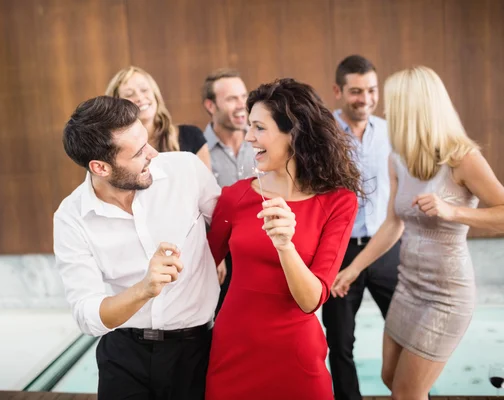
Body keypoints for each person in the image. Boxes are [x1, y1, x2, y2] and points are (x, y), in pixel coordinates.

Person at [332, 66, 504, 399]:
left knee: (407, 392)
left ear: (415, 108)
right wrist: (352, 269)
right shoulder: (398, 159)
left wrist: (452, 210)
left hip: (447, 294)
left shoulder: (463, 158)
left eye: (393, 104)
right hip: (409, 287)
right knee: (390, 378)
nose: (386, 111)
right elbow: (393, 223)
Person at [54, 96, 221, 400]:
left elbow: (232, 227)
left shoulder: (185, 170)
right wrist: (144, 288)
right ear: (100, 167)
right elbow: (87, 314)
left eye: (146, 142)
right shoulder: (70, 217)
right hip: (123, 356)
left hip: (197, 352)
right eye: (139, 152)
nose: (153, 154)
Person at [205, 78, 362, 399]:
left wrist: (285, 245)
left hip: (296, 356)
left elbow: (311, 299)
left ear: (294, 133)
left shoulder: (338, 201)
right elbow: (200, 266)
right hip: (233, 352)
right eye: (249, 126)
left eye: (259, 128)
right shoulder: (234, 197)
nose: (248, 136)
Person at [322, 55, 400, 400]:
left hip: (387, 247)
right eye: (356, 91)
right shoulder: (322, 136)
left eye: (371, 90)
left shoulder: (391, 132)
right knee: (339, 342)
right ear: (338, 91)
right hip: (339, 251)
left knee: (406, 333)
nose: (365, 99)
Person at [201, 68, 256, 312]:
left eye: (243, 96)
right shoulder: (196, 151)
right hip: (219, 258)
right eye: (231, 99)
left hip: (259, 253)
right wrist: (214, 255)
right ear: (211, 106)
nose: (242, 105)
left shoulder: (262, 143)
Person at [106, 65, 211, 169]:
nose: (139, 97)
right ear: (117, 106)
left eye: (144, 90)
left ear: (155, 94)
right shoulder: (111, 149)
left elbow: (206, 184)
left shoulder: (192, 136)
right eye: (129, 94)